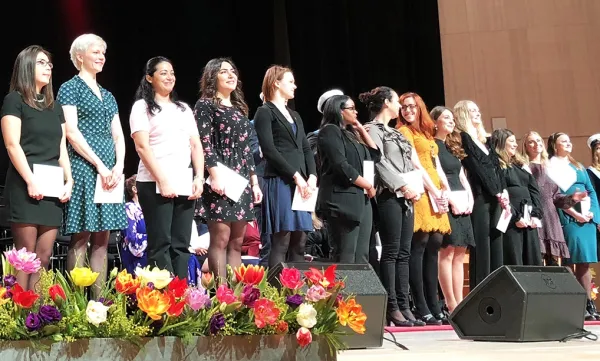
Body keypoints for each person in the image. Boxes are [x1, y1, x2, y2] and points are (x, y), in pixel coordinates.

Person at [57, 34, 127, 297]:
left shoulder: (108, 95)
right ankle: (75, 306)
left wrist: (119, 165)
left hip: (110, 171)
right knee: (82, 237)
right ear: (79, 57)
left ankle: (99, 305)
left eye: (103, 53)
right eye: (96, 52)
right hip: (85, 167)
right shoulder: (70, 88)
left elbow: (118, 135)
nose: (101, 57)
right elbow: (72, 133)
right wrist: (99, 165)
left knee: (102, 240)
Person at [0, 45, 73, 290]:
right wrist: (31, 180)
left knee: (44, 256)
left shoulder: (55, 106)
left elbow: (61, 148)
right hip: (25, 183)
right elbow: (12, 145)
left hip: (52, 186)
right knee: (25, 258)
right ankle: (18, 318)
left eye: (49, 64)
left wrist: (69, 181)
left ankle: (38, 317)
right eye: (42, 62)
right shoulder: (15, 100)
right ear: (27, 66)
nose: (48, 68)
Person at [129, 56, 204, 279]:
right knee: (161, 243)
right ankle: (163, 299)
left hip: (184, 181)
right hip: (154, 182)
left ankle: (180, 297)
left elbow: (195, 144)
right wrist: (162, 180)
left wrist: (199, 177)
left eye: (171, 72)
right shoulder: (142, 107)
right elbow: (142, 147)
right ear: (149, 78)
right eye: (163, 72)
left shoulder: (183, 109)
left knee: (181, 244)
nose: (169, 76)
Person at [195, 58, 262, 282]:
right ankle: (221, 295)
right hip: (220, 175)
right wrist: (214, 174)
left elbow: (246, 148)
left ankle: (237, 297)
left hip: (240, 178)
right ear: (213, 77)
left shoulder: (239, 109)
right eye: (224, 72)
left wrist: (254, 181)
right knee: (221, 239)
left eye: (233, 71)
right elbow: (203, 143)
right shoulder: (205, 105)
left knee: (237, 241)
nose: (231, 75)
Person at [362, 87, 422, 327]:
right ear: (386, 103)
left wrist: (414, 187)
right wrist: (402, 185)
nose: (400, 106)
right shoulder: (372, 130)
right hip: (389, 195)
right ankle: (392, 307)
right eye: (397, 101)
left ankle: (405, 306)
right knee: (391, 250)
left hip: (407, 195)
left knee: (404, 252)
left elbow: (408, 162)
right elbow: (380, 162)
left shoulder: (396, 133)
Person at [254, 65, 317, 267]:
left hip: (302, 185)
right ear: (276, 83)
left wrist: (312, 176)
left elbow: (306, 148)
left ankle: (295, 295)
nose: (295, 86)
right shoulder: (265, 112)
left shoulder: (295, 115)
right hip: (281, 182)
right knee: (282, 240)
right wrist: (296, 176)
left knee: (300, 241)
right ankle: (275, 294)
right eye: (290, 82)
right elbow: (269, 150)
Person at [397, 92, 450, 325]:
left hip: (436, 190)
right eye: (403, 107)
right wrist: (433, 190)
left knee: (435, 245)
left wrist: (444, 188)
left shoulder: (427, 132)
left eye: (411, 107)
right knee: (419, 245)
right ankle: (421, 306)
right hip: (421, 190)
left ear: (420, 108)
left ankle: (434, 303)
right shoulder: (404, 132)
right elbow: (416, 165)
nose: (407, 111)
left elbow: (435, 163)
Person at [316, 95, 379, 264]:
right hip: (342, 201)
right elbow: (341, 165)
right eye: (351, 108)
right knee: (345, 253)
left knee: (362, 255)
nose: (356, 111)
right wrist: (367, 185)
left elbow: (374, 156)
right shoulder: (329, 131)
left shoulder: (352, 135)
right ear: (340, 111)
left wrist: (361, 129)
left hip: (361, 199)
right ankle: (344, 291)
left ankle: (359, 291)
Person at [453, 100, 509, 288]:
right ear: (462, 114)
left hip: (496, 198)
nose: (477, 113)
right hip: (480, 197)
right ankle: (482, 291)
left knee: (496, 242)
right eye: (472, 111)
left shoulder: (486, 140)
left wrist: (503, 191)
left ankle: (497, 288)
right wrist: (496, 192)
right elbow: (477, 169)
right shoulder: (464, 138)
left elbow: (496, 168)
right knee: (483, 246)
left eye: (478, 110)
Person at [547, 132, 600, 320]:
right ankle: (574, 304)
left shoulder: (578, 165)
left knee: (584, 262)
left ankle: (589, 303)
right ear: (555, 145)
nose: (568, 144)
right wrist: (575, 214)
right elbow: (557, 195)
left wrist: (593, 214)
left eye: (570, 141)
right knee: (570, 260)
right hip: (569, 217)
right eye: (564, 141)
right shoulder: (551, 165)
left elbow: (591, 191)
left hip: (587, 219)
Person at [430, 106, 475, 314]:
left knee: (460, 252)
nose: (451, 121)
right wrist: (451, 201)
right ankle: (450, 303)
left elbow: (462, 175)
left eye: (451, 118)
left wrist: (470, 198)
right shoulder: (434, 145)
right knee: (447, 252)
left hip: (462, 200)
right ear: (435, 122)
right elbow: (439, 174)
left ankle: (461, 301)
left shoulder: (452, 146)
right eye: (445, 118)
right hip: (447, 200)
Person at [491, 129, 543, 266]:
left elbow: (534, 190)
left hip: (529, 218)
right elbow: (501, 193)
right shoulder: (496, 165)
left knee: (532, 258)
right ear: (501, 143)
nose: (515, 145)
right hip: (512, 220)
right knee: (515, 257)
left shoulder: (521, 164)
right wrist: (516, 216)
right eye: (511, 141)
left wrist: (536, 214)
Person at [521, 131, 574, 265]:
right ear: (525, 147)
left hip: (551, 218)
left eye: (538, 141)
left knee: (554, 264)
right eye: (531, 142)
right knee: (537, 260)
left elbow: (556, 196)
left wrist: (572, 198)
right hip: (534, 216)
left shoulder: (550, 167)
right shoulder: (523, 167)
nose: (536, 144)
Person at [120, 174, 147, 274]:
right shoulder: (129, 208)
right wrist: (155, 240)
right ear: (135, 189)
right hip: (135, 257)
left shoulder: (149, 209)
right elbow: (131, 237)